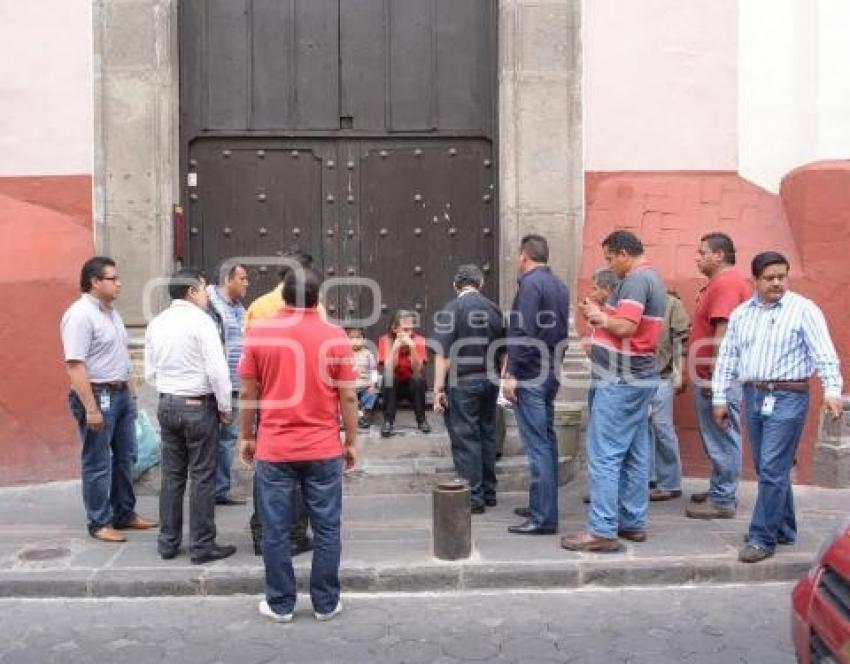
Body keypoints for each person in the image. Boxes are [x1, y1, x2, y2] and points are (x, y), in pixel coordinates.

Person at [239, 267, 358, 622]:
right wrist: (351, 441)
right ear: (317, 298)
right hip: (323, 447)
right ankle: (325, 602)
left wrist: (246, 436)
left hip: (275, 448)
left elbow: (248, 391)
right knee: (326, 526)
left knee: (275, 529)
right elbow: (348, 397)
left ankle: (280, 604)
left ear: (284, 297)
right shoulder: (335, 336)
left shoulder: (260, 334)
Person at [713, 251, 843, 563]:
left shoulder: (803, 309)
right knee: (766, 467)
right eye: (769, 278)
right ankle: (783, 527)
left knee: (771, 467)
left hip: (789, 396)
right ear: (755, 280)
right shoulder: (742, 314)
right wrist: (719, 397)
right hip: (753, 395)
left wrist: (832, 390)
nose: (776, 283)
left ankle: (762, 537)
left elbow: (824, 352)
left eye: (781, 276)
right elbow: (728, 357)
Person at [562, 230, 666, 553]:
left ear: (623, 253)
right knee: (636, 452)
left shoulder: (636, 280)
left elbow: (626, 327)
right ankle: (632, 522)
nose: (609, 265)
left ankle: (603, 529)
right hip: (639, 377)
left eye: (609, 258)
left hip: (620, 380)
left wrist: (599, 317)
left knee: (604, 454)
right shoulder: (653, 279)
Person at [61, 256, 158, 543]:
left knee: (126, 456)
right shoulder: (79, 315)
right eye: (113, 279)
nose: (119, 284)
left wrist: (131, 392)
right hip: (98, 394)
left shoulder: (111, 313)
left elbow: (121, 356)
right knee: (98, 462)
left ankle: (124, 513)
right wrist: (91, 409)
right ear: (94, 282)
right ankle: (99, 522)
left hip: (121, 395)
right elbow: (75, 366)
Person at [144, 269, 237, 564]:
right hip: (198, 406)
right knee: (202, 477)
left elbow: (150, 371)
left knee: (172, 476)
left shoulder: (156, 323)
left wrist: (170, 389)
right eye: (203, 288)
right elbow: (218, 370)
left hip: (168, 403)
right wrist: (225, 407)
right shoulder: (202, 322)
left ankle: (168, 542)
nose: (207, 294)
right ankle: (202, 545)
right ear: (191, 292)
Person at [244, 250, 316, 557]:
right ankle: (296, 535)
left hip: (268, 401)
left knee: (267, 470)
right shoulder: (317, 308)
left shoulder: (258, 307)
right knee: (302, 473)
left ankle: (262, 533)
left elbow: (250, 364)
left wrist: (245, 431)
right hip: (308, 403)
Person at [503, 234, 570, 535]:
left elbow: (522, 331)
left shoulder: (530, 284)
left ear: (523, 256)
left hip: (530, 374)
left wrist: (511, 373)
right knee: (548, 441)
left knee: (538, 445)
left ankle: (543, 517)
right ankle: (542, 505)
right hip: (550, 371)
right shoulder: (559, 285)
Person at [685, 232, 752, 519]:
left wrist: (716, 379)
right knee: (718, 436)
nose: (697, 257)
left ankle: (723, 499)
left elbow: (722, 335)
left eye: (702, 252)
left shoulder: (725, 284)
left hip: (719, 379)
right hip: (716, 377)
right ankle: (719, 489)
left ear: (719, 255)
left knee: (723, 436)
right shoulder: (724, 283)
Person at [433, 264, 506, 514]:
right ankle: (489, 492)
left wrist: (438, 389)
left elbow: (442, 354)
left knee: (465, 439)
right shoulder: (494, 308)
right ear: (480, 284)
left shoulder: (451, 309)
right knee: (487, 434)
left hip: (463, 381)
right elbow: (503, 349)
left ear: (456, 285)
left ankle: (473, 497)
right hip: (491, 379)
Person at [206, 263, 250, 506]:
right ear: (227, 279)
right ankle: (208, 489)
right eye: (242, 278)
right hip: (214, 385)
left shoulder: (238, 308)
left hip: (235, 383)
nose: (246, 283)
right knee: (212, 438)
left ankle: (220, 489)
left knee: (227, 438)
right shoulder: (211, 305)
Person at [648, 291, 691, 502]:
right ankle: (649, 477)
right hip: (635, 376)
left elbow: (681, 340)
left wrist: (679, 372)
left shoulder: (671, 304)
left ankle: (670, 483)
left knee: (662, 428)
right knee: (641, 428)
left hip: (660, 375)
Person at [378, 311, 431, 437]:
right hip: (393, 389)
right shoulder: (385, 340)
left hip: (413, 388)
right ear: (394, 328)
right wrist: (395, 347)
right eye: (405, 329)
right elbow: (389, 368)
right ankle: (388, 422)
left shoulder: (419, 340)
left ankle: (422, 420)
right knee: (389, 377)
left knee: (418, 377)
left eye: (411, 329)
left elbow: (418, 369)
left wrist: (412, 347)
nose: (409, 333)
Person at [346, 327, 380, 429]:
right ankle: (345, 417)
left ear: (364, 340)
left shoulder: (368, 354)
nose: (355, 341)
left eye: (358, 338)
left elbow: (373, 370)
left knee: (373, 392)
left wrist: (373, 384)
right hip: (349, 386)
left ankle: (363, 414)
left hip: (365, 385)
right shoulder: (344, 354)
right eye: (351, 338)